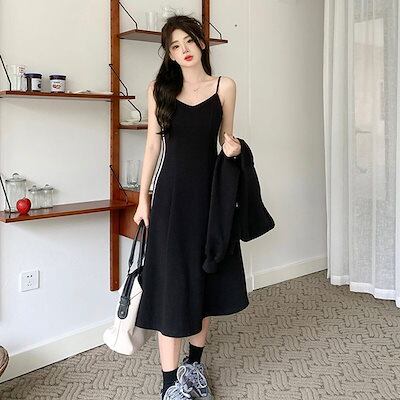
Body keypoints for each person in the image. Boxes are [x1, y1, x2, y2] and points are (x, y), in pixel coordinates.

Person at [133, 14, 249, 400]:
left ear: (201, 43)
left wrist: (233, 149)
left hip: (210, 198)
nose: (183, 50)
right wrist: (143, 199)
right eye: (175, 46)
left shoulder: (225, 86)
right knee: (171, 285)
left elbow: (226, 139)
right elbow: (153, 146)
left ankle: (194, 365)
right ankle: (169, 385)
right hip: (170, 199)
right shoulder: (159, 90)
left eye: (188, 41)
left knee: (204, 280)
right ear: (169, 54)